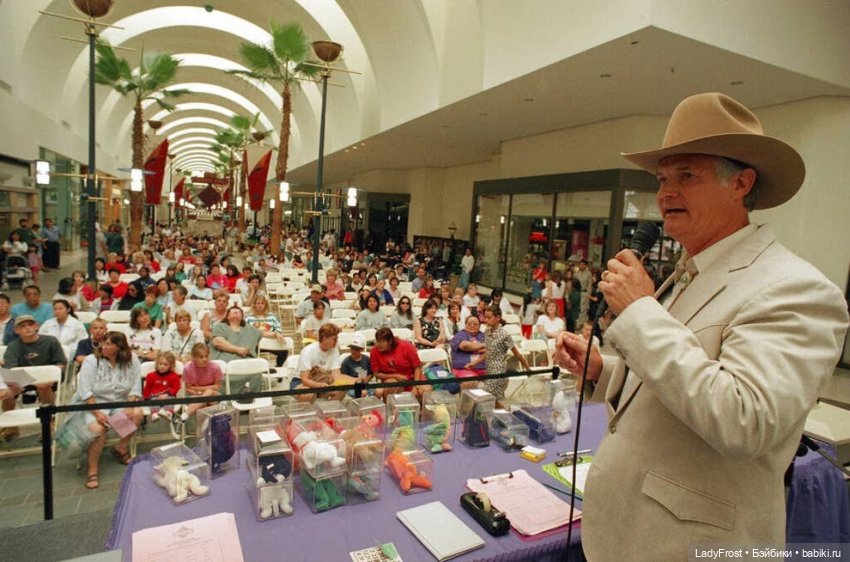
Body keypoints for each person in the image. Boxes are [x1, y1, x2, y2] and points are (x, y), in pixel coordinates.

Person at [553, 93, 849, 561]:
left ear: (742, 182)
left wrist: (641, 311)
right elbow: (674, 383)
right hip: (624, 539)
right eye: (662, 178)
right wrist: (604, 373)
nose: (666, 192)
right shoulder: (688, 274)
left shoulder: (798, 290)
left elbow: (743, 420)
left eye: (687, 175)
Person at [76, 331, 142, 489]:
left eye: (108, 344)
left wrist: (130, 404)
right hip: (95, 403)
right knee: (99, 429)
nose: (103, 347)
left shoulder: (132, 359)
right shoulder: (92, 361)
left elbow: (135, 386)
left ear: (119, 347)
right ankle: (92, 469)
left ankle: (120, 447)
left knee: (137, 414)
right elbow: (85, 391)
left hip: (119, 400)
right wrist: (97, 413)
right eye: (103, 343)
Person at [3, 314, 66, 409]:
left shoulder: (51, 341)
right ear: (17, 330)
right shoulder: (13, 346)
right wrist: (34, 381)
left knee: (43, 385)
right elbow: (10, 371)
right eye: (23, 326)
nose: (27, 328)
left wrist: (47, 378)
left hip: (48, 378)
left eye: (30, 325)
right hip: (23, 380)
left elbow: (61, 364)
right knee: (7, 391)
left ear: (37, 326)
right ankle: (8, 422)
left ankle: (49, 419)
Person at [292, 323, 356, 401]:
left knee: (342, 389)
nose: (336, 342)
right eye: (334, 339)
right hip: (301, 381)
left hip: (324, 381)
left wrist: (353, 381)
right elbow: (305, 380)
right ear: (325, 338)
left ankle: (330, 410)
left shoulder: (334, 350)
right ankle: (308, 411)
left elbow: (336, 375)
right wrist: (319, 385)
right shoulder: (308, 351)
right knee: (308, 394)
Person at [482, 305, 529, 401]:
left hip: (499, 369)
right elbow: (487, 351)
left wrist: (527, 368)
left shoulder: (504, 335)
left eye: (489, 317)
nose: (486, 320)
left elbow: (517, 354)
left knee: (490, 396)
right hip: (488, 368)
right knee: (494, 398)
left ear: (498, 317)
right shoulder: (487, 332)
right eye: (485, 317)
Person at [370, 327, 428, 397]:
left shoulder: (407, 346)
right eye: (377, 341)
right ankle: (390, 407)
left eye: (382, 342)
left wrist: (416, 386)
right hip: (392, 380)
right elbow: (377, 374)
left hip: (413, 378)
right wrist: (395, 376)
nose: (378, 344)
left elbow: (417, 367)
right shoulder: (374, 351)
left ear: (390, 341)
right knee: (391, 386)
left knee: (426, 389)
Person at [142, 352, 183, 439]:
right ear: (157, 364)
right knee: (153, 400)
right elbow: (147, 388)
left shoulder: (174, 376)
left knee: (171, 399)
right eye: (160, 364)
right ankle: (154, 413)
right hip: (155, 396)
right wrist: (145, 398)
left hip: (168, 395)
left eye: (165, 364)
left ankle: (168, 413)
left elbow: (176, 387)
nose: (162, 366)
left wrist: (168, 394)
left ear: (170, 366)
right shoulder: (151, 376)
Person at [245, 295, 289, 367]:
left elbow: (279, 331)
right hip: (255, 344)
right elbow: (248, 333)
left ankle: (278, 369)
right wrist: (273, 334)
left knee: (284, 352)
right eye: (258, 303)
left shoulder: (272, 317)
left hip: (271, 342)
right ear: (254, 305)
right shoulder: (249, 318)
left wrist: (261, 333)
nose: (260, 305)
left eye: (262, 303)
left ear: (265, 305)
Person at [182, 343, 223, 417]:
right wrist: (205, 391)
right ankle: (207, 427)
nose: (205, 359)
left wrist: (199, 390)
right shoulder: (188, 368)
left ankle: (186, 414)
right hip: (195, 394)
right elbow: (188, 388)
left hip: (212, 394)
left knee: (210, 393)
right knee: (203, 402)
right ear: (194, 358)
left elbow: (217, 387)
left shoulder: (215, 367)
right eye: (201, 357)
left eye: (206, 356)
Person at [450, 315, 486, 385]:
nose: (472, 325)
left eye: (475, 324)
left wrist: (472, 349)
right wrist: (484, 345)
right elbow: (465, 346)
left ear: (479, 325)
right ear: (465, 325)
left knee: (499, 377)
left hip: (483, 368)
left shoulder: (483, 336)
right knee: (470, 381)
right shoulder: (459, 335)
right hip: (464, 368)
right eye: (469, 324)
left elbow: (491, 348)